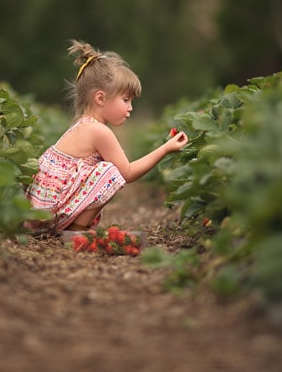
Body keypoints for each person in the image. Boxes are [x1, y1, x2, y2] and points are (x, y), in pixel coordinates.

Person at [24, 40, 188, 235]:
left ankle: (72, 227)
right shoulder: (99, 131)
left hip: (40, 209)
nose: (130, 108)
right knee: (110, 172)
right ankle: (76, 230)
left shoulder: (83, 124)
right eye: (126, 100)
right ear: (100, 98)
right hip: (47, 212)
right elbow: (126, 173)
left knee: (107, 170)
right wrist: (166, 148)